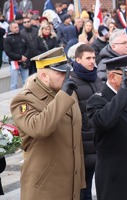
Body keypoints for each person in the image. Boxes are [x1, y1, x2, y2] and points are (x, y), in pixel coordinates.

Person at [10, 47, 85, 200]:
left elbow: (76, 138)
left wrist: (80, 179)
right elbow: (39, 128)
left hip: (71, 184)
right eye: (61, 73)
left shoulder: (67, 93)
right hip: (45, 188)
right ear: (44, 76)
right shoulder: (24, 100)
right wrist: (64, 95)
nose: (67, 77)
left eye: (67, 72)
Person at [86, 53, 127, 200]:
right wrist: (123, 93)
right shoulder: (97, 100)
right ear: (111, 77)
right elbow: (104, 121)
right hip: (118, 181)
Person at [71, 44, 103, 200]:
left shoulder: (96, 78)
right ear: (78, 59)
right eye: (88, 58)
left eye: (94, 58)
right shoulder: (71, 82)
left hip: (100, 142)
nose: (92, 61)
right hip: (85, 146)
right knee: (85, 190)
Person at [3, 21, 30, 90]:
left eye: (17, 27)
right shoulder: (7, 39)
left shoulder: (23, 36)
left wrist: (25, 56)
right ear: (11, 28)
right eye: (15, 27)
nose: (17, 28)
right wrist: (20, 57)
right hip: (14, 62)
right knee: (13, 84)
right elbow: (8, 52)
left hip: (24, 62)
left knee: (26, 82)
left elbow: (28, 47)